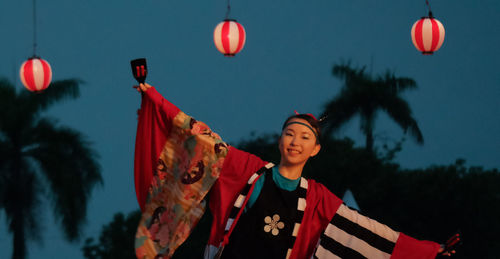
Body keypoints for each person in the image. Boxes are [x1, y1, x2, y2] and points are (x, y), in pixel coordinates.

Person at [133, 83, 455, 259]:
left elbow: (367, 231)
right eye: (290, 134)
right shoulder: (249, 170)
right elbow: (199, 138)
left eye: (305, 138)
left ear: (315, 149)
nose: (295, 142)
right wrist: (155, 100)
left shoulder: (317, 199)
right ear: (280, 139)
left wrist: (427, 251)